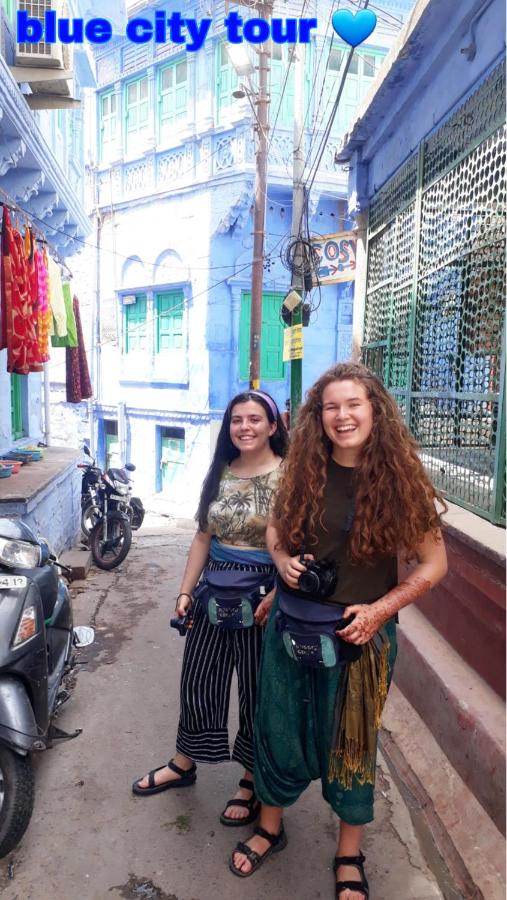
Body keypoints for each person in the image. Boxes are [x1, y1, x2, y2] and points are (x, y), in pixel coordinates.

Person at [229, 363, 448, 898]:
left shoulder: (399, 480)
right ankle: (270, 828)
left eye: (353, 404)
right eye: (331, 406)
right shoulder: (303, 469)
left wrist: (379, 611)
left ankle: (349, 852)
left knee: (351, 743)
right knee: (277, 727)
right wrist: (282, 565)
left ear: (375, 410)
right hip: (292, 626)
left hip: (359, 639)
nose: (342, 416)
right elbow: (278, 530)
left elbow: (434, 564)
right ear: (318, 416)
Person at [132, 390, 288, 826]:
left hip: (263, 597)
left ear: (272, 426)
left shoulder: (291, 475)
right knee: (199, 678)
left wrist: (280, 593)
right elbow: (203, 536)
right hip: (213, 592)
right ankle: (184, 762)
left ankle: (251, 778)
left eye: (254, 419)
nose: (244, 427)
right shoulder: (221, 469)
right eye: (237, 419)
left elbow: (299, 544)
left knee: (257, 689)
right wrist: (185, 593)